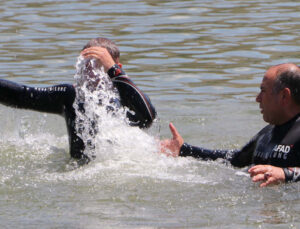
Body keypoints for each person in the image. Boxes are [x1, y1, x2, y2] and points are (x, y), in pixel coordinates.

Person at [0, 37, 156, 163]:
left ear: (116, 68)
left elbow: (148, 118)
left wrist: (113, 69)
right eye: (86, 66)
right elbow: (22, 96)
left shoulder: (128, 97)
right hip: (80, 173)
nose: (90, 74)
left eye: (99, 65)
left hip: (122, 170)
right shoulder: (71, 96)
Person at [161, 63, 300, 187]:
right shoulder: (267, 133)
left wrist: (285, 174)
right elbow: (236, 159)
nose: (257, 99)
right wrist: (184, 149)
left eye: (263, 91)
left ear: (284, 96)